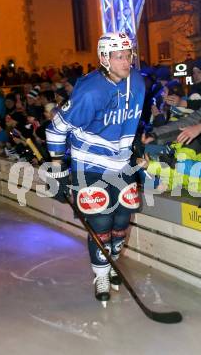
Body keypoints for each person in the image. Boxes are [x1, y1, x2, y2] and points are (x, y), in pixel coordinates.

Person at [46, 32, 145, 307]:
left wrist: (137, 145)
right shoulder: (90, 92)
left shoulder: (137, 81)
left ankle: (111, 263)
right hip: (90, 165)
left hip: (122, 163)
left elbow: (132, 120)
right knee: (101, 224)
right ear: (105, 59)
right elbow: (56, 128)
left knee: (122, 222)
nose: (127, 61)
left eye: (129, 55)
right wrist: (57, 167)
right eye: (120, 56)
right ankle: (101, 275)